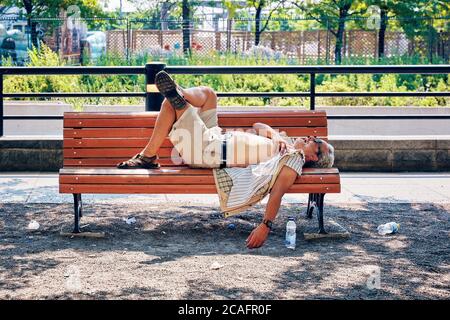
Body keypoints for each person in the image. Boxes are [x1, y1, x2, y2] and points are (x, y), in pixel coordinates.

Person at [118, 71, 335, 249]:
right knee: (209, 94)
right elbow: (259, 126)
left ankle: (148, 155)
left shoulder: (294, 160)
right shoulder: (285, 144)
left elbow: (277, 193)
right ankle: (180, 93)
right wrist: (276, 135)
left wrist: (265, 226)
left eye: (315, 141)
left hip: (208, 150)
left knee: (171, 104)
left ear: (314, 157)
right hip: (215, 137)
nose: (310, 137)